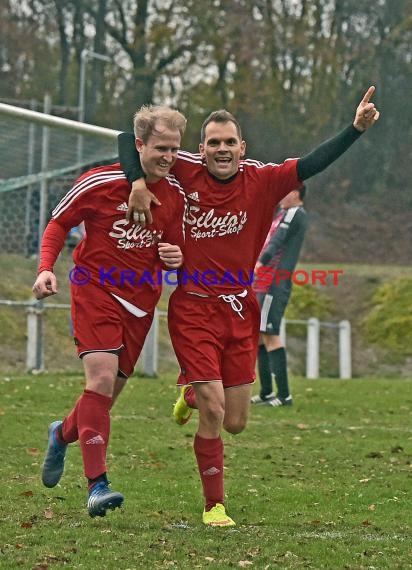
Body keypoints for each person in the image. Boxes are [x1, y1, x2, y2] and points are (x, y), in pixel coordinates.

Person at [117, 86, 380, 526]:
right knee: (215, 409)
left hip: (240, 310)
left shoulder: (263, 178)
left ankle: (190, 393)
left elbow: (312, 162)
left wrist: (354, 130)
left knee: (236, 421)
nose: (222, 149)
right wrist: (138, 183)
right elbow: (128, 139)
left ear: (243, 147)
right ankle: (214, 504)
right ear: (200, 150)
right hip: (193, 307)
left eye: (229, 142)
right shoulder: (184, 170)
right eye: (213, 142)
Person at [32, 105, 187, 518]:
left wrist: (174, 255)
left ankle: (60, 434)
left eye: (174, 149)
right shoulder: (100, 182)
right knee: (99, 379)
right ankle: (97, 486)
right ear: (139, 146)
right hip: (94, 289)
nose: (168, 157)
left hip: (141, 304)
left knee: (101, 399)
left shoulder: (176, 196)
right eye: (160, 149)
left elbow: (173, 245)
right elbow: (58, 223)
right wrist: (46, 268)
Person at [252, 185, 308, 407]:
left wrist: (259, 263)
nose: (279, 196)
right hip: (263, 282)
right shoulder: (282, 213)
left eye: (283, 192)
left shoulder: (295, 213)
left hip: (273, 283)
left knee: (269, 333)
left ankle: (284, 396)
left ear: (295, 193)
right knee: (258, 335)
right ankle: (267, 392)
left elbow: (277, 242)